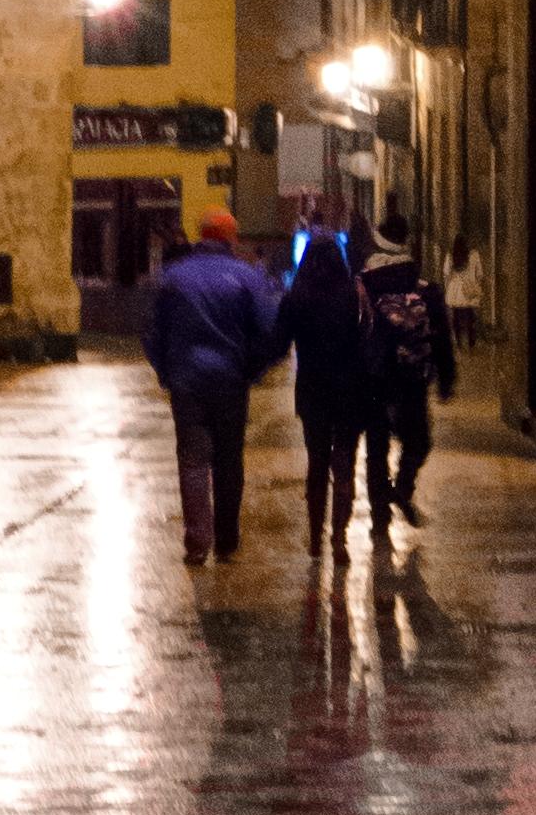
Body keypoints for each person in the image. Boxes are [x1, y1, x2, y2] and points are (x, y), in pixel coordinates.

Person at [141, 206, 282, 569]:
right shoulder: (247, 277)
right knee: (228, 460)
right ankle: (227, 539)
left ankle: (197, 542)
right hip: (230, 382)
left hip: (186, 381)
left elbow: (152, 330)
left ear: (202, 235)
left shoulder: (173, 276)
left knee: (191, 460)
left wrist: (165, 370)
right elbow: (268, 331)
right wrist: (253, 371)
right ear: (230, 238)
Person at [359, 202, 458, 535]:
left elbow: (353, 332)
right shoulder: (424, 287)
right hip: (412, 378)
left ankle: (379, 517)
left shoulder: (364, 285)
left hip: (373, 380)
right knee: (418, 442)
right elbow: (441, 335)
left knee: (376, 448)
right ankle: (402, 488)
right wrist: (446, 377)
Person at [280, 219, 371, 558]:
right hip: (349, 391)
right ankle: (340, 540)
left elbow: (279, 341)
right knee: (344, 465)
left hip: (312, 391)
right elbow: (366, 338)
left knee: (316, 464)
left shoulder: (297, 297)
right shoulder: (352, 295)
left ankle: (316, 539)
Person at [445, 231, 485, 358]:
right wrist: (475, 284)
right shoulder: (474, 255)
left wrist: (448, 286)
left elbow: (446, 273)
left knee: (456, 318)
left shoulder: (450, 256)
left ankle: (459, 345)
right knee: (470, 317)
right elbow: (480, 274)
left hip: (455, 291)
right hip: (469, 291)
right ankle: (471, 344)